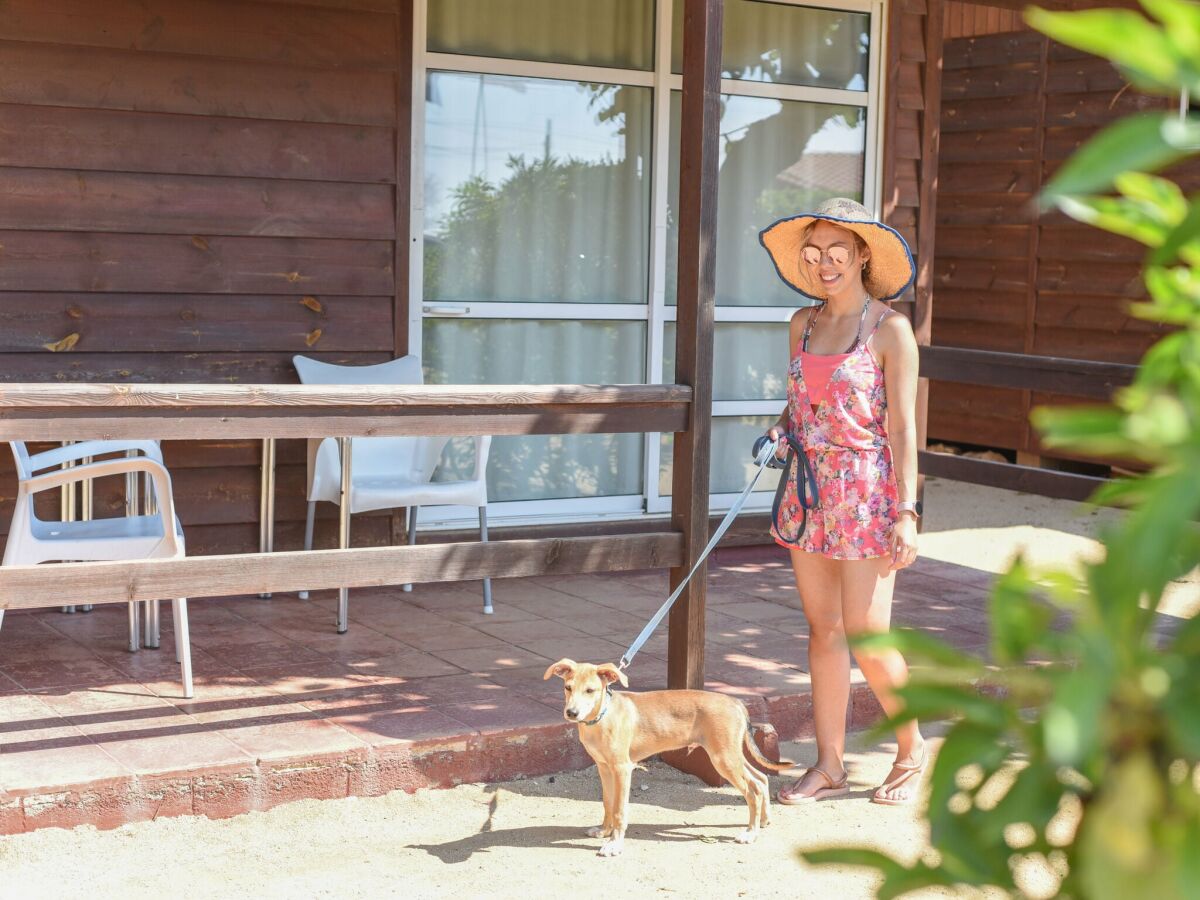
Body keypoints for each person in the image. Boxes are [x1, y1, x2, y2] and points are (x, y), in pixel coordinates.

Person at [758, 197, 925, 806]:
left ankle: (911, 749)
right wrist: (781, 430)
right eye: (813, 253)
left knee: (867, 631)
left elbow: (904, 429)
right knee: (823, 630)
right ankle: (829, 764)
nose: (824, 263)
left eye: (836, 252)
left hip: (868, 493)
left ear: (861, 256)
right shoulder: (800, 324)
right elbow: (801, 403)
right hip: (808, 494)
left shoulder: (891, 331)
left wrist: (907, 512)